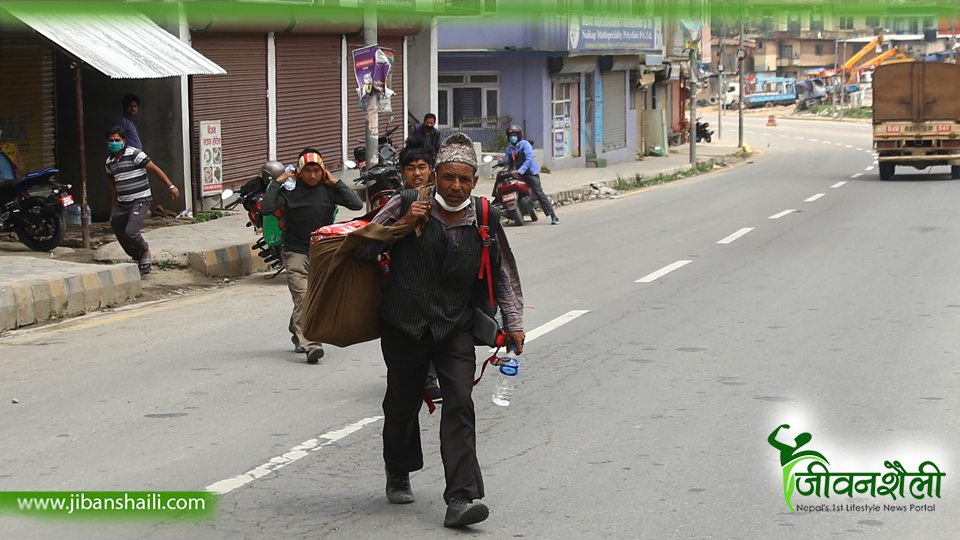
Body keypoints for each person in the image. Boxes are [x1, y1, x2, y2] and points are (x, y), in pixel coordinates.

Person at [356, 133, 525, 528]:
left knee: (460, 402)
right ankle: (398, 470)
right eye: (448, 177)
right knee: (401, 404)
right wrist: (400, 226)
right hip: (404, 325)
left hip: (454, 327)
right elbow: (362, 248)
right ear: (435, 175)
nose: (455, 187)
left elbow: (504, 273)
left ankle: (462, 497)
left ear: (474, 182)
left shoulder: (485, 216)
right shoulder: (405, 202)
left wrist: (514, 323)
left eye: (464, 180)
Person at [260, 149, 363, 364]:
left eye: (317, 170)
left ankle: (296, 328)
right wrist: (279, 181)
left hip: (322, 252)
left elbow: (356, 204)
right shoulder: (290, 190)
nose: (313, 175)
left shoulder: (328, 190)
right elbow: (267, 208)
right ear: (299, 171)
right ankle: (312, 343)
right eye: (308, 171)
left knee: (313, 297)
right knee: (304, 297)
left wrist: (335, 182)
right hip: (295, 251)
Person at [397, 140, 442, 403]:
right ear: (403, 172)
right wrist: (404, 221)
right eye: (411, 168)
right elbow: (374, 237)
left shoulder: (444, 199)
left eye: (422, 167)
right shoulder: (398, 201)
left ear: (431, 170)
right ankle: (421, 380)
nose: (417, 174)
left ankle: (430, 378)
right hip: (405, 282)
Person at [105, 127, 179, 276]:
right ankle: (137, 256)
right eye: (111, 141)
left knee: (131, 232)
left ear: (123, 141)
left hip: (140, 199)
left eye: (117, 140)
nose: (114, 143)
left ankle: (144, 252)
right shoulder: (109, 162)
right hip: (122, 202)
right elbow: (112, 185)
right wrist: (113, 206)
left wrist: (170, 186)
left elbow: (154, 169)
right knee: (118, 229)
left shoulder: (134, 154)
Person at [504, 124, 559, 225]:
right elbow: (507, 162)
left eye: (514, 135)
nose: (512, 137)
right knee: (503, 182)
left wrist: (520, 170)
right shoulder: (509, 149)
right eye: (510, 135)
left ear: (519, 136)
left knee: (539, 193)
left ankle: (553, 216)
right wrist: (505, 168)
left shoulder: (525, 145)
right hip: (517, 173)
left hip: (529, 173)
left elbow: (529, 160)